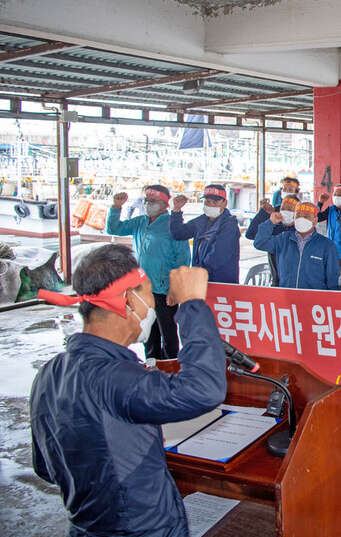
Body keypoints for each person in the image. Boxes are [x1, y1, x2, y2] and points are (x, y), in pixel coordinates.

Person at [31, 249, 226, 537]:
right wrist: (193, 305)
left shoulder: (49, 374)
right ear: (127, 300)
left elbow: (46, 468)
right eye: (148, 293)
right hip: (142, 528)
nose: (154, 304)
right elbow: (205, 389)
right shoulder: (116, 379)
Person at [106, 185, 190, 359]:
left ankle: (171, 367)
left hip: (164, 290)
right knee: (148, 332)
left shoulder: (172, 225)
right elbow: (114, 229)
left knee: (168, 333)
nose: (147, 204)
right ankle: (152, 365)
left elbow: (182, 259)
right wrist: (116, 207)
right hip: (142, 289)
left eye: (153, 201)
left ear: (165, 204)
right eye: (146, 200)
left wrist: (175, 289)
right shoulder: (140, 221)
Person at [254, 201, 339, 290]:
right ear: (294, 218)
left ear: (315, 221)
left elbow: (332, 282)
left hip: (314, 300)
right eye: (298, 215)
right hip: (286, 296)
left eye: (306, 216)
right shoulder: (283, 239)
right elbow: (260, 243)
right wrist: (270, 222)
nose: (301, 219)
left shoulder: (327, 245)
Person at [169, 184, 240, 284]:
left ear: (225, 203)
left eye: (215, 202)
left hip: (221, 282)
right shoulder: (200, 221)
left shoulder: (229, 226)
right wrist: (176, 210)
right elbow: (179, 234)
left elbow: (218, 257)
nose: (211, 205)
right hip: (201, 280)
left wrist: (196, 274)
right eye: (208, 202)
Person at [244, 194, 298, 286]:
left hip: (295, 283)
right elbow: (251, 234)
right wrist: (264, 213)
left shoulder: (301, 232)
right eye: (283, 208)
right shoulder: (275, 228)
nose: (285, 212)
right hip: (276, 282)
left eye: (289, 209)